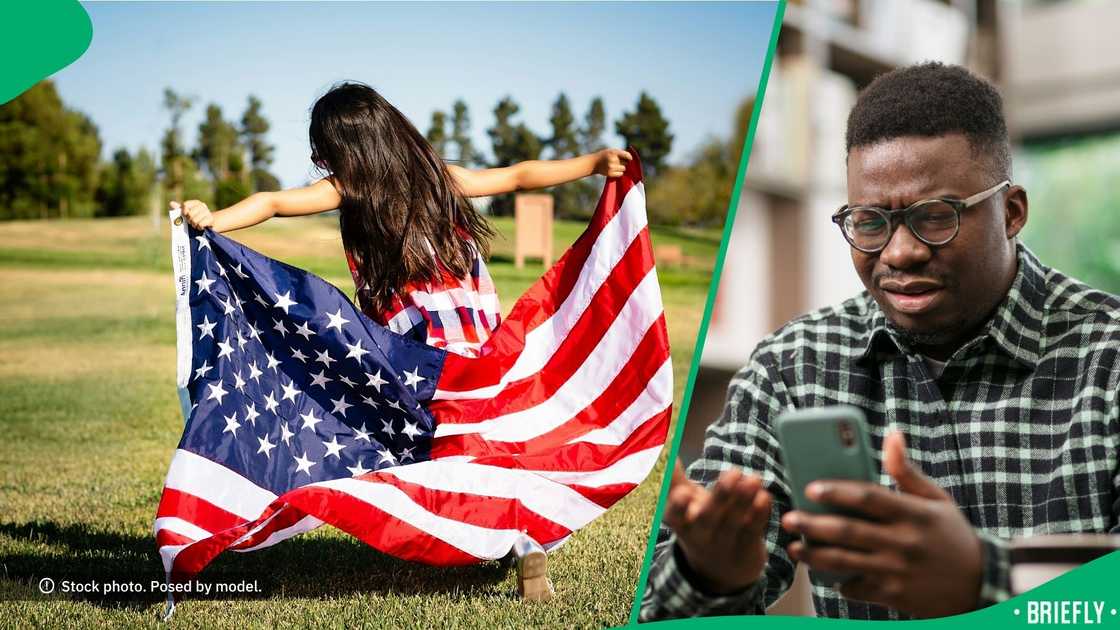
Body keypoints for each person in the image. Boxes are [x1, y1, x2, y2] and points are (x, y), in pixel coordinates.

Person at [640, 62, 1120, 620]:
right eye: (869, 223)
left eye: (935, 217)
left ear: (1011, 212)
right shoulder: (794, 368)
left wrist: (981, 583)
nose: (899, 253)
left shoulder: (1107, 358)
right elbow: (660, 607)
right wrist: (709, 575)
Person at [178, 81, 633, 600]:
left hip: (414, 353)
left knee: (443, 451)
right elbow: (521, 175)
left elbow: (275, 202)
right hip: (478, 341)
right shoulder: (441, 178)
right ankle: (527, 537)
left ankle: (488, 528)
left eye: (321, 148)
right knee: (490, 444)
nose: (317, 158)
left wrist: (215, 218)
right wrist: (592, 163)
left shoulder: (348, 188)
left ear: (346, 147)